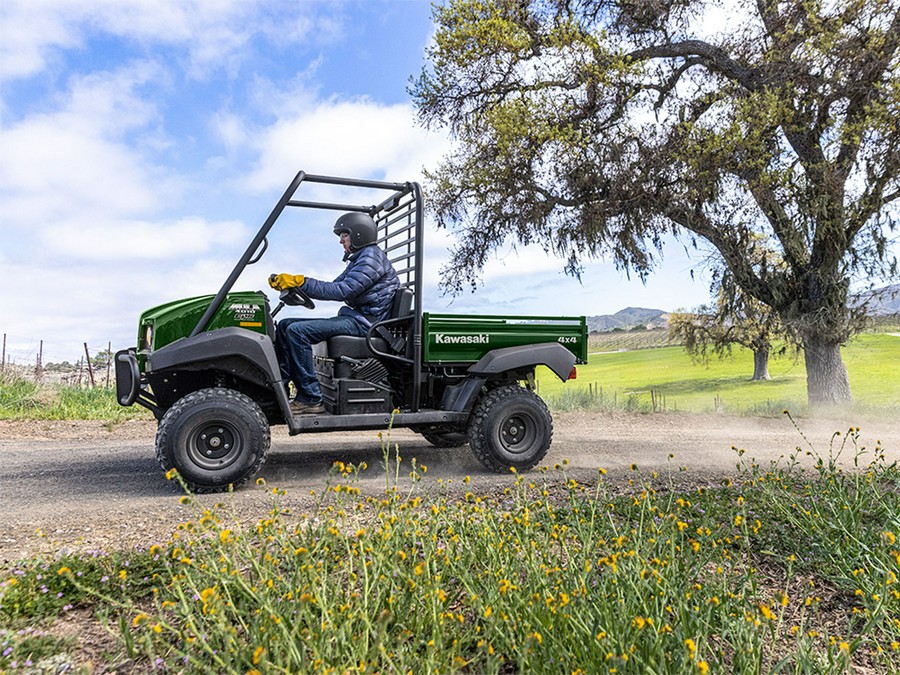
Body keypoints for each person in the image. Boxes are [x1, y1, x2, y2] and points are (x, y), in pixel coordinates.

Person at [269, 212, 399, 414]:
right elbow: (334, 285)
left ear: (358, 234)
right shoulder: (360, 259)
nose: (341, 240)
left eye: (344, 235)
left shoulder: (371, 259)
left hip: (367, 323)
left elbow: (343, 291)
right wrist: (297, 283)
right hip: (355, 317)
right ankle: (280, 390)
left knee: (298, 331)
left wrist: (302, 281)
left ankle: (311, 399)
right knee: (286, 324)